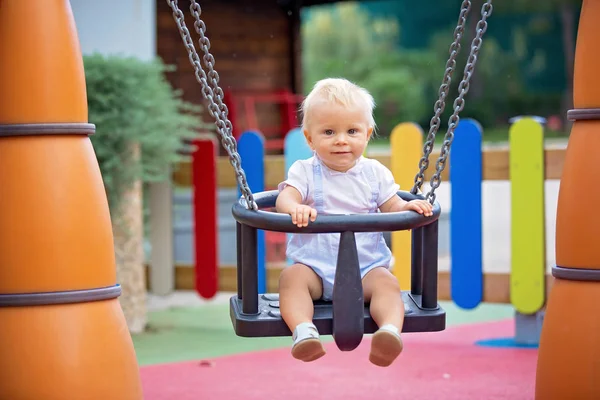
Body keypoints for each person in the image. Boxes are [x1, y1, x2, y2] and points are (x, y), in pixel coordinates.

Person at [275, 78, 433, 367]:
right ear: (309, 138)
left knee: (387, 284)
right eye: (329, 132)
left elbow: (391, 204)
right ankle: (303, 331)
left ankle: (388, 332)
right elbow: (285, 198)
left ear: (367, 134)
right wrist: (295, 207)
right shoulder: (305, 171)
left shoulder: (374, 173)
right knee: (291, 279)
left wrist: (406, 205)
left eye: (351, 131)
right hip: (314, 269)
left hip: (365, 268)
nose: (341, 140)